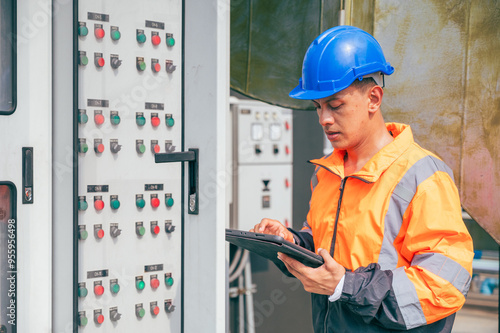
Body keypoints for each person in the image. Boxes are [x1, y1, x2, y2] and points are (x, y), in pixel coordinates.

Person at [250, 25, 474, 332]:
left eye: (335, 105)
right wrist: (291, 241)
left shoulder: (423, 177)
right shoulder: (328, 173)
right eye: (318, 107)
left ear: (374, 98)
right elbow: (327, 249)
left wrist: (345, 285)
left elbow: (443, 286)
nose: (324, 119)